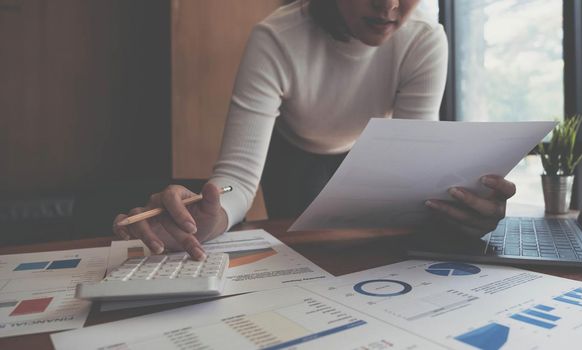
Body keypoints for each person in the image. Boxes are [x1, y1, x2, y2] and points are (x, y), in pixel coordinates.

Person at [113, 0, 516, 260]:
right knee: (303, 256)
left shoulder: (424, 39)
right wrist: (209, 217)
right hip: (295, 151)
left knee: (379, 248)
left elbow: (413, 168)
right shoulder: (276, 38)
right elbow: (237, 178)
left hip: (369, 149)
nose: (389, 5)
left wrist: (461, 214)